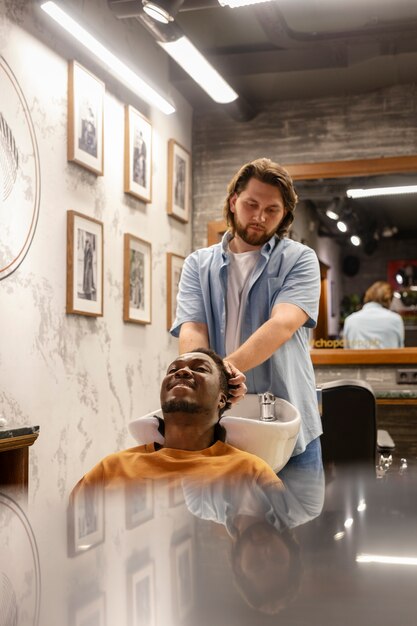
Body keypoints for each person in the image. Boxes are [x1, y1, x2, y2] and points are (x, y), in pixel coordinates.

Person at [170, 158, 322, 467]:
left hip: (289, 432)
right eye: (251, 204)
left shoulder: (300, 259)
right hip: (218, 428)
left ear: (284, 216)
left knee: (300, 514)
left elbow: (282, 324)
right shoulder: (198, 265)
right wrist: (203, 376)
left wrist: (221, 375)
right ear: (233, 200)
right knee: (213, 514)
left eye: (272, 210)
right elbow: (193, 328)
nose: (259, 217)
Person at [72, 348, 283, 491]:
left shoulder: (251, 474)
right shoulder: (111, 469)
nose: (182, 371)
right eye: (173, 370)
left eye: (200, 369)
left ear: (222, 399)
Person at [343, 281, 405, 349]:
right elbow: (400, 349)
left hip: (358, 360)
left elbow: (347, 349)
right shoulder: (395, 320)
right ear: (389, 300)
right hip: (388, 359)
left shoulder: (350, 320)